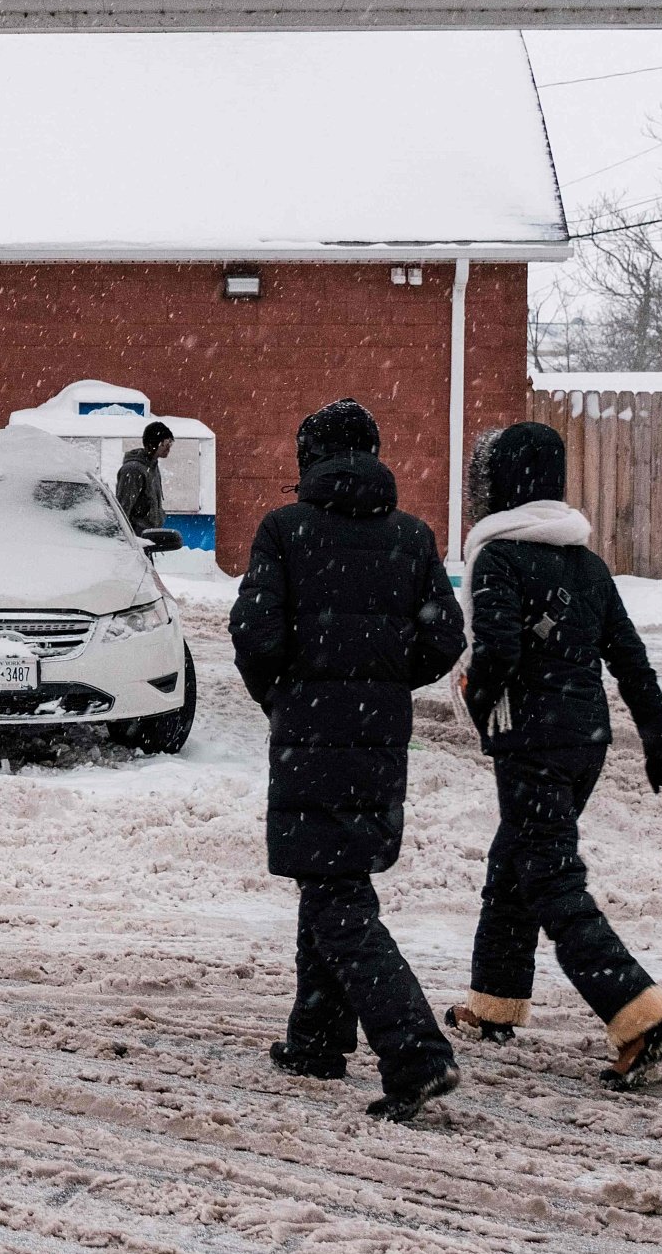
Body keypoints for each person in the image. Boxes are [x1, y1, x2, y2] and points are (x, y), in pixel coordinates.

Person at [229, 398, 466, 1122]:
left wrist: (282, 693)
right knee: (332, 874)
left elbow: (254, 632)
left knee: (338, 900)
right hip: (379, 738)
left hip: (308, 732)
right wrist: (384, 679)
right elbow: (444, 638)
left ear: (311, 458)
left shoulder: (285, 530)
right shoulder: (412, 536)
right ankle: (317, 1037)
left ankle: (416, 1052)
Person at [446, 420, 662, 1091]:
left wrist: (474, 693)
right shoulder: (585, 564)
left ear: (503, 487)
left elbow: (496, 651)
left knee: (551, 879)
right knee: (515, 861)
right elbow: (630, 660)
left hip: (533, 743)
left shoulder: (497, 557)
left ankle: (638, 1013)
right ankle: (493, 1003)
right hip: (585, 742)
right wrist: (660, 739)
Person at [115, 420, 174, 533]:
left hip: (149, 536)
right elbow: (123, 509)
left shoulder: (152, 465)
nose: (168, 448)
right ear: (151, 445)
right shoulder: (133, 470)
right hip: (137, 538)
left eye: (170, 443)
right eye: (164, 444)